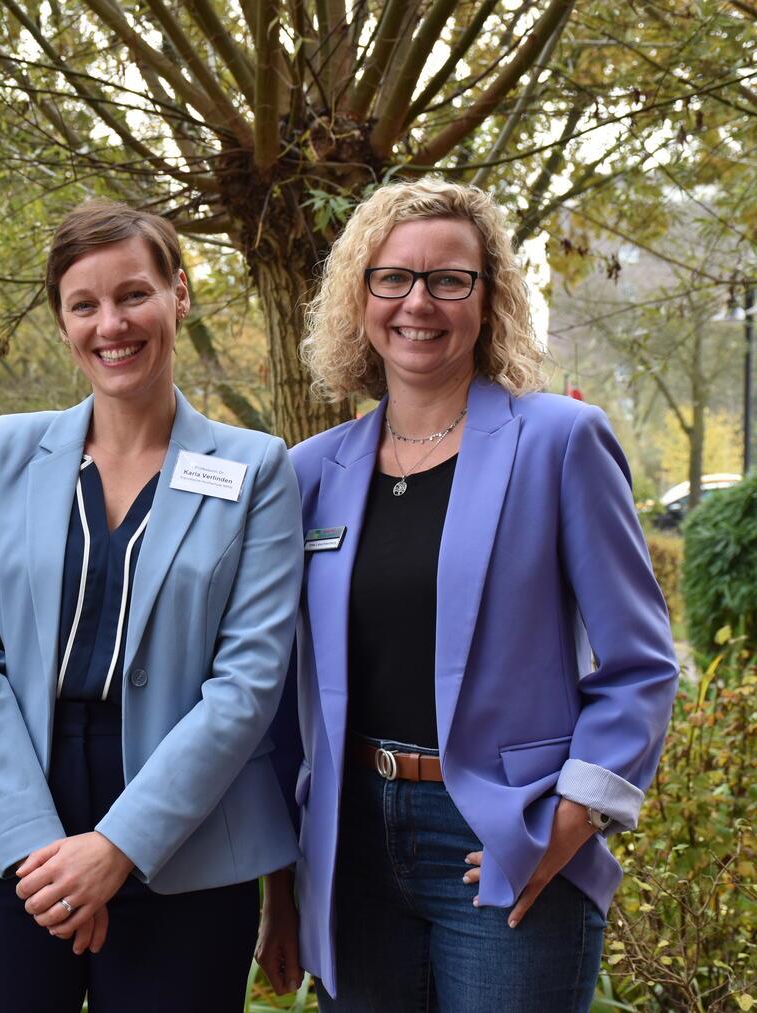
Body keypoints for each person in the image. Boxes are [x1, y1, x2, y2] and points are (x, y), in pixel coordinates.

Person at [255, 179, 678, 1012]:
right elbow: (277, 697)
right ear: (360, 297)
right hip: (348, 845)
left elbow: (641, 662)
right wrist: (281, 883)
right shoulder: (309, 474)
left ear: (489, 300)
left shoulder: (559, 442)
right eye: (393, 277)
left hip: (503, 834)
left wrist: (572, 818)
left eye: (449, 279)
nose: (419, 302)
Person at [0, 200, 304, 1012]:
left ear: (179, 294)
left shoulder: (257, 470)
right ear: (63, 321)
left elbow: (247, 684)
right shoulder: (3, 451)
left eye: (134, 294)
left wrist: (118, 845)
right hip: (10, 819)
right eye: (84, 304)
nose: (112, 324)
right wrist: (40, 849)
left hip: (188, 837)